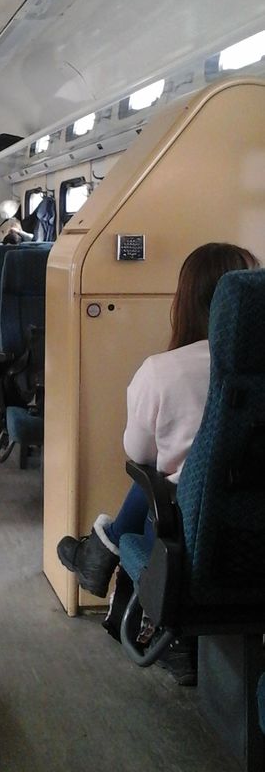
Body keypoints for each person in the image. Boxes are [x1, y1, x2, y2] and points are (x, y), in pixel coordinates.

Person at [57, 242, 260, 597]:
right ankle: (100, 555)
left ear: (185, 301)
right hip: (254, 537)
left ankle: (103, 552)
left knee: (155, 476)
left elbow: (138, 453)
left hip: (198, 538)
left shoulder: (163, 372)